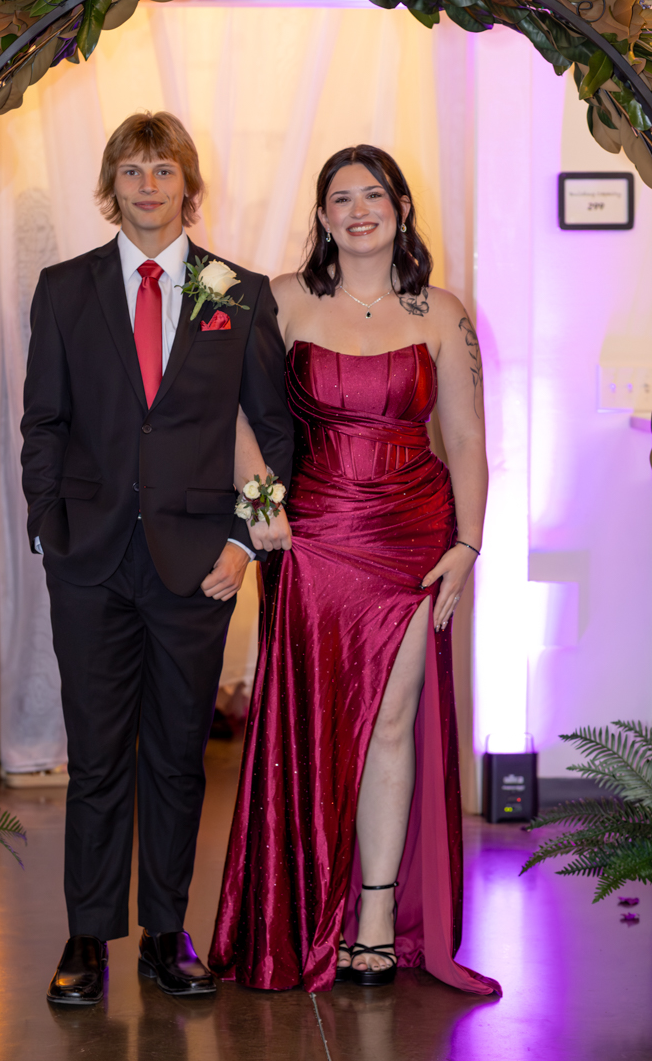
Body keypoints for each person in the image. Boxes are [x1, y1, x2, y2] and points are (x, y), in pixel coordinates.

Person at [210, 145, 500, 996]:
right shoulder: (284, 299)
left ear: (401, 208)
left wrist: (468, 544)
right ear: (324, 216)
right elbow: (225, 401)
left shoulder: (442, 312)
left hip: (414, 537)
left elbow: (469, 439)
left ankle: (374, 915)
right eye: (342, 197)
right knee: (310, 725)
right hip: (313, 539)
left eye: (374, 194)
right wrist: (259, 499)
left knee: (393, 723)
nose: (359, 209)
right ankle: (309, 912)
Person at [21, 111, 293, 1004]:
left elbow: (273, 431)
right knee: (98, 755)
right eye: (131, 170)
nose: (147, 185)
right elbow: (44, 425)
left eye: (162, 169)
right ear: (111, 185)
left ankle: (167, 937)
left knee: (176, 755)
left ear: (188, 184)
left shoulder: (235, 291)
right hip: (89, 563)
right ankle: (88, 938)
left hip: (198, 563)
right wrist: (46, 524)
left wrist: (243, 541)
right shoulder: (65, 290)